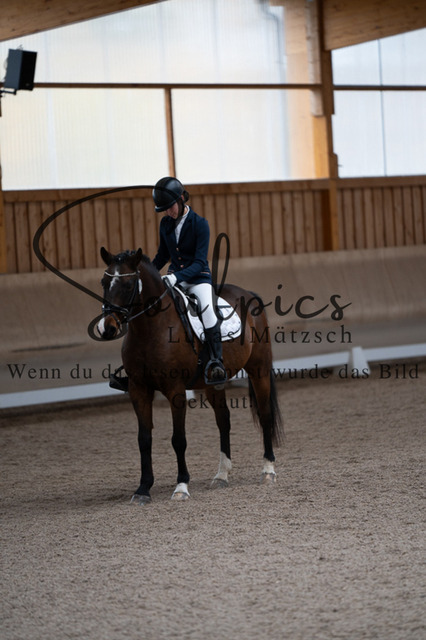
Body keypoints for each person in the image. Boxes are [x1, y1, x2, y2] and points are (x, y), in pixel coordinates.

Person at [152, 176, 227, 384]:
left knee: (207, 310)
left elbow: (199, 262)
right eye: (164, 209)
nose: (168, 212)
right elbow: (162, 255)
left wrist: (175, 277)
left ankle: (216, 361)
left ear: (181, 199)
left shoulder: (200, 224)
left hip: (198, 279)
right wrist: (148, 272)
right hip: (174, 278)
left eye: (170, 207)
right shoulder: (165, 224)